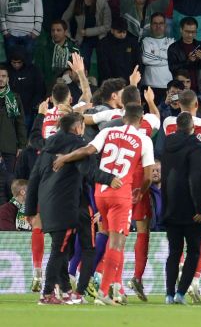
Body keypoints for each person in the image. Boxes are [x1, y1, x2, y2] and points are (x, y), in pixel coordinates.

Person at [52, 104, 154, 305]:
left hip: (101, 192)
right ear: (141, 120)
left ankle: (109, 286)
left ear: (124, 117)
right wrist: (139, 192)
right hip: (121, 194)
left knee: (105, 235)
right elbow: (149, 176)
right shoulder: (144, 140)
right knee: (118, 243)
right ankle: (105, 292)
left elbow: (87, 150)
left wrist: (66, 157)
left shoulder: (108, 131)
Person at [25, 112, 121, 305]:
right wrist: (109, 179)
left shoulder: (47, 146)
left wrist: (30, 210)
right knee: (60, 250)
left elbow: (34, 178)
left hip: (47, 205)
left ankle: (67, 291)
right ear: (78, 127)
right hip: (65, 203)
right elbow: (89, 171)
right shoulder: (78, 144)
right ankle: (47, 294)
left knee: (59, 248)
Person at [161, 112, 201, 305]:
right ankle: (181, 293)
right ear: (192, 127)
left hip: (170, 206)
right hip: (190, 209)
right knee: (193, 252)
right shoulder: (196, 146)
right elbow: (196, 179)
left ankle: (169, 294)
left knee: (174, 252)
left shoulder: (167, 144)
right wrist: (200, 207)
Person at [62, 0, 112, 66]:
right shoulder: (75, 2)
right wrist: (68, 34)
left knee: (103, 64)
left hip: (100, 38)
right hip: (82, 39)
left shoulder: (102, 2)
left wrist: (87, 32)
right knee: (83, 64)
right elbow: (64, 19)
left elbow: (107, 26)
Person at [167, 17, 201, 96]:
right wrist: (188, 61)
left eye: (193, 32)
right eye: (187, 31)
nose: (190, 35)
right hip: (180, 90)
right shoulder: (173, 48)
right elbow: (172, 69)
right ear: (181, 30)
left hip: (200, 90)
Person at [6, 46, 45, 131]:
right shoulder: (5, 70)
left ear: (23, 61)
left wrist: (33, 104)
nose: (16, 65)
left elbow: (39, 89)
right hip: (8, 110)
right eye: (14, 62)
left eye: (19, 62)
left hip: (27, 110)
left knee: (25, 132)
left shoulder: (33, 70)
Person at [34, 19, 80, 86]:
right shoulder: (43, 49)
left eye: (58, 30)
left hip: (69, 88)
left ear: (65, 32)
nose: (55, 33)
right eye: (53, 30)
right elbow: (38, 71)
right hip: (48, 87)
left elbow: (79, 72)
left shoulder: (74, 50)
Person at [142, 12, 175, 103]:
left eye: (161, 23)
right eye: (155, 23)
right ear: (151, 26)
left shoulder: (171, 42)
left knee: (168, 114)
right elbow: (145, 59)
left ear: (165, 25)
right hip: (149, 85)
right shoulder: (146, 41)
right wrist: (166, 58)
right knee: (149, 115)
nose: (158, 26)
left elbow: (173, 59)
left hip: (169, 86)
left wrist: (155, 54)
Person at [0, 64, 27, 173]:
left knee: (9, 182)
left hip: (9, 147)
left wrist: (21, 146)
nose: (0, 79)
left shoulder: (14, 98)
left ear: (8, 79)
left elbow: (20, 123)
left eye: (3, 76)